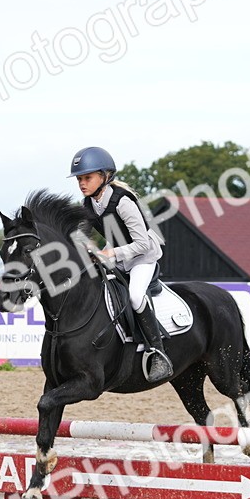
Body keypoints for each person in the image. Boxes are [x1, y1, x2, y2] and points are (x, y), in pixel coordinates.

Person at [70, 146, 173, 382]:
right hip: (120, 258)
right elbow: (82, 237)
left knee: (135, 297)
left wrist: (111, 252)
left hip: (143, 258)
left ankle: (157, 352)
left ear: (105, 176)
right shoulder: (88, 205)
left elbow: (143, 244)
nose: (82, 183)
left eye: (87, 178)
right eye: (79, 179)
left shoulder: (122, 201)